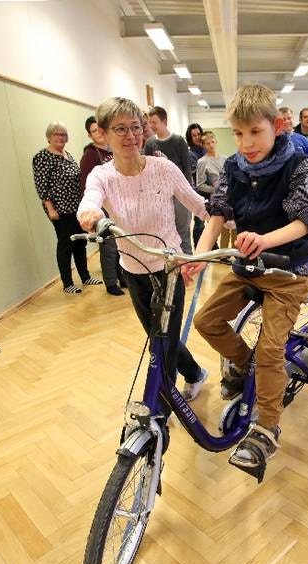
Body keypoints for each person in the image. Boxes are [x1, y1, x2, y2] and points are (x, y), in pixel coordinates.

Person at [181, 83, 308, 480]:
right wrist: (201, 255)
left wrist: (263, 239)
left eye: (255, 132)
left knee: (272, 348)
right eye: (238, 134)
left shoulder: (298, 164)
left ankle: (268, 427)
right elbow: (218, 215)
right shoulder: (233, 168)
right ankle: (246, 366)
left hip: (287, 273)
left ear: (276, 126)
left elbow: (304, 220)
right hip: (247, 268)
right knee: (206, 322)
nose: (246, 143)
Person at [78, 97, 209, 399]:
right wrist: (90, 213)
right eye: (120, 129)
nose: (130, 136)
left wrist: (232, 219)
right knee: (158, 336)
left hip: (170, 268)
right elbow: (90, 199)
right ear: (104, 134)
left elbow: (198, 205)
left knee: (161, 342)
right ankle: (195, 373)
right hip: (132, 272)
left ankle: (161, 406)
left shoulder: (162, 168)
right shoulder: (102, 175)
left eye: (135, 127)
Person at [32, 122, 102, 294]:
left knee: (80, 242)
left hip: (76, 207)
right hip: (60, 210)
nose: (60, 137)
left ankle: (85, 276)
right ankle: (67, 283)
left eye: (63, 134)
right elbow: (42, 186)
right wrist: (51, 209)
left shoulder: (67, 155)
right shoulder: (42, 157)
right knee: (65, 245)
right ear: (49, 137)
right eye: (56, 134)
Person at [79, 116, 125, 296]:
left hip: (118, 205)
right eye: (94, 131)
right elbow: (87, 186)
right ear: (90, 135)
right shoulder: (90, 155)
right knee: (109, 247)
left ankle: (122, 277)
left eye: (100, 129)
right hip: (102, 208)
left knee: (121, 244)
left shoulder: (112, 151)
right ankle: (111, 282)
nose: (98, 133)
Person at [144, 106, 194, 254]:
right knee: (165, 230)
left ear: (164, 121)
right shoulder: (149, 143)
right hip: (159, 194)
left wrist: (187, 194)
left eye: (154, 122)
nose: (151, 126)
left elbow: (187, 169)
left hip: (179, 194)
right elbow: (146, 171)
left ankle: (188, 260)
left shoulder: (178, 141)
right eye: (149, 122)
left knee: (183, 230)